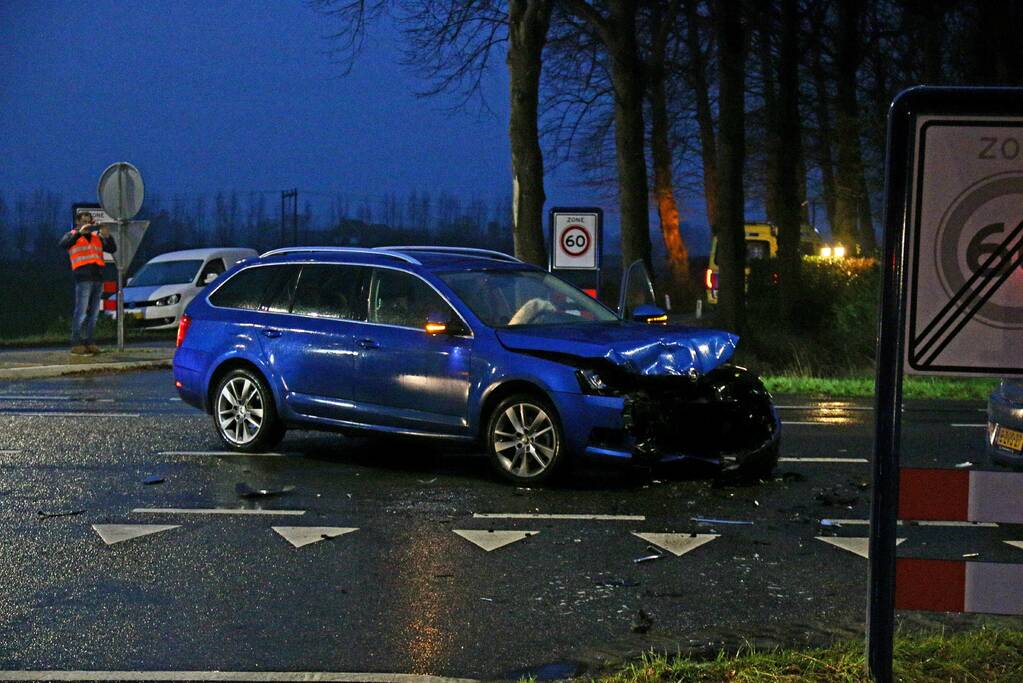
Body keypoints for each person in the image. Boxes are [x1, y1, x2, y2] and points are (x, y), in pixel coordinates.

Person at [59, 212, 117, 355]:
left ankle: (89, 341)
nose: (86, 224)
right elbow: (63, 244)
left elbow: (112, 248)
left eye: (88, 221)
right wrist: (79, 232)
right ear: (78, 222)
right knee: (81, 311)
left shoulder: (97, 238)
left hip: (98, 277)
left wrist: (107, 235)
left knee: (94, 313)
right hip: (83, 278)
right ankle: (76, 342)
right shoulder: (72, 235)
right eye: (83, 221)